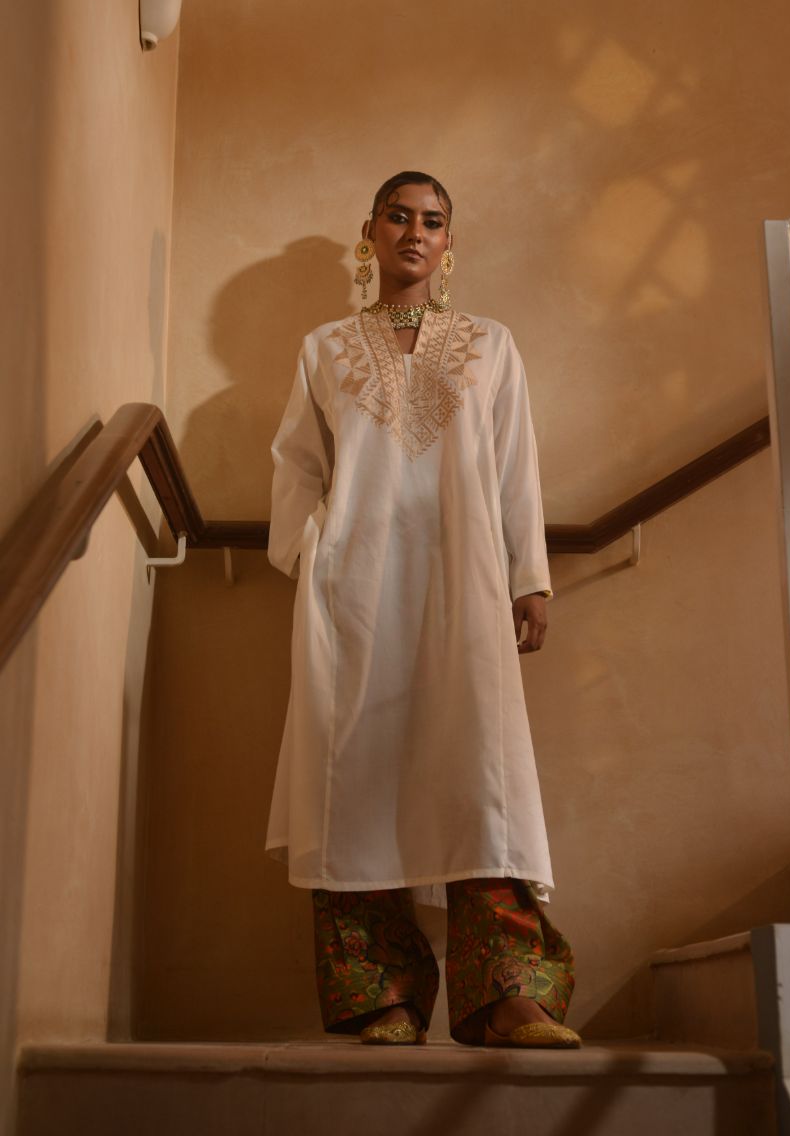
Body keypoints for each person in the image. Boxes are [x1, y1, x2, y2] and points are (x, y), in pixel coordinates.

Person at [266, 171, 579, 1049]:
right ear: (369, 232)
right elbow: (296, 467)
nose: (415, 231)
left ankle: (508, 996)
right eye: (398, 216)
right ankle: (385, 997)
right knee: (355, 778)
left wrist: (529, 576)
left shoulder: (489, 345)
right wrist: (313, 555)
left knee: (481, 774)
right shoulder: (325, 349)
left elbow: (516, 467)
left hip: (464, 584)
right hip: (354, 596)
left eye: (432, 221)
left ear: (449, 243)